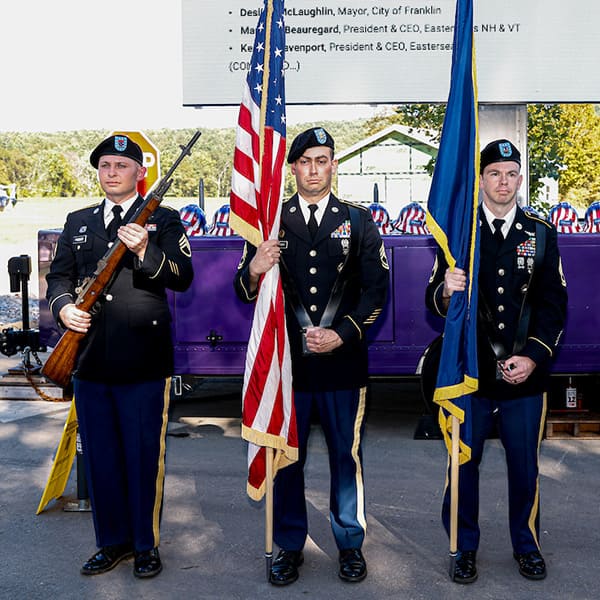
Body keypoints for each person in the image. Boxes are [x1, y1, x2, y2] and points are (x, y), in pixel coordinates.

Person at [234, 127, 389, 586]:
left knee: (347, 457)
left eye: (323, 160)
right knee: (287, 459)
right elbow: (244, 289)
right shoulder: (270, 222)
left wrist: (343, 334)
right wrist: (255, 267)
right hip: (289, 369)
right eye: (305, 161)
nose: (314, 169)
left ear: (334, 165)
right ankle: (288, 544)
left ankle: (349, 544)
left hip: (343, 363)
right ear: (292, 167)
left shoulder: (358, 221)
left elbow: (377, 290)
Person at [46, 134, 194, 578]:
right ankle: (111, 543)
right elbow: (59, 278)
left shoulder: (163, 220)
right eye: (105, 165)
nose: (111, 172)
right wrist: (65, 308)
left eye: (121, 166)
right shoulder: (79, 221)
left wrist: (146, 250)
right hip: (90, 362)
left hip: (144, 363)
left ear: (138, 173)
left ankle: (145, 545)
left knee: (144, 457)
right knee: (103, 459)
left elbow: (183, 276)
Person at [425, 139, 567, 583]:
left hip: (523, 376)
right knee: (463, 466)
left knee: (525, 467)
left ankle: (527, 545)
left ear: (519, 179)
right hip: (471, 375)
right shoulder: (460, 234)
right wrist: (446, 289)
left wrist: (534, 358)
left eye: (510, 174)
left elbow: (553, 306)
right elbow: (432, 303)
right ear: (481, 179)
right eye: (493, 174)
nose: (503, 182)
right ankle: (463, 546)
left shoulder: (540, 233)